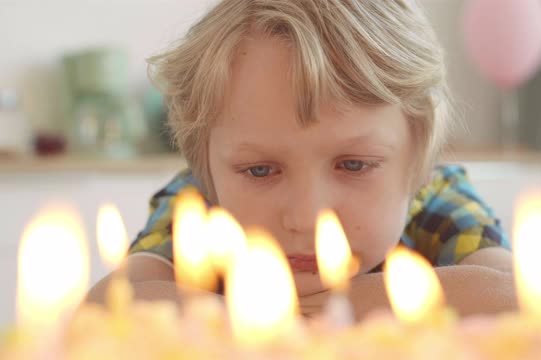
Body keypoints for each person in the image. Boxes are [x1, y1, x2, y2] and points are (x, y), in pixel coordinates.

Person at [87, 0, 516, 319]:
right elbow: (101, 311)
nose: (307, 217)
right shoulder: (195, 204)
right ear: (209, 170)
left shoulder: (436, 199)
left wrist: (371, 301)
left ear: (416, 160)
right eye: (260, 170)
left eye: (353, 165)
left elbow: (520, 299)